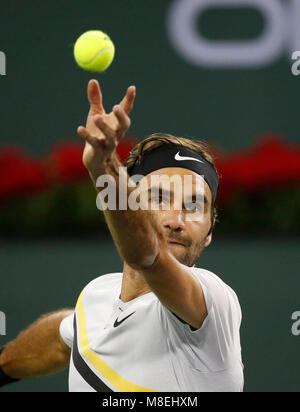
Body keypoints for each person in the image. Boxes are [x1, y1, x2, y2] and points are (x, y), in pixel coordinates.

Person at [0, 80, 244, 392]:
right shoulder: (96, 298)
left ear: (210, 230)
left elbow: (148, 256)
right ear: (133, 204)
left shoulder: (214, 299)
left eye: (195, 206)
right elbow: (63, 336)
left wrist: (102, 167)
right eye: (158, 198)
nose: (176, 221)